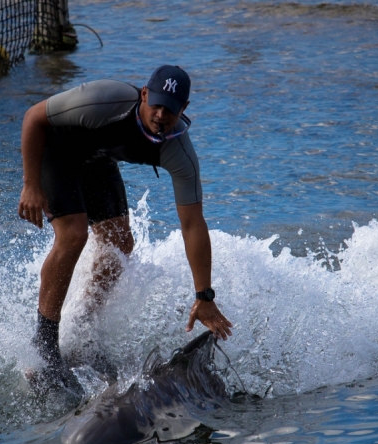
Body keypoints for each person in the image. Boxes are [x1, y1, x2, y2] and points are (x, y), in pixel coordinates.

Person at [18, 65, 233, 390]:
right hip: (57, 149)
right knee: (73, 235)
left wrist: (204, 296)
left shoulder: (178, 151)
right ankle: (45, 349)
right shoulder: (105, 102)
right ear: (144, 95)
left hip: (96, 159)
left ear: (183, 110)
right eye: (156, 105)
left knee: (120, 244)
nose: (161, 115)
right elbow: (34, 117)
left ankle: (83, 333)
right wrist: (31, 185)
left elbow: (192, 225)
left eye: (170, 110)